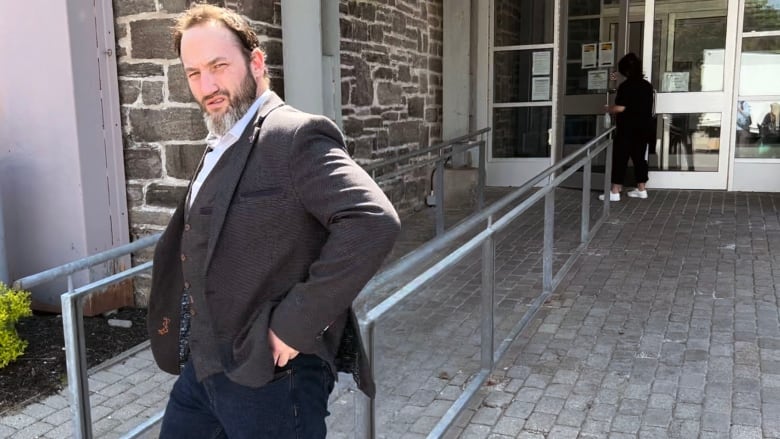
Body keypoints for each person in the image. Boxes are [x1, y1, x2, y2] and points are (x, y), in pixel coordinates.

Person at [146, 4, 401, 438]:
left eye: (218, 66)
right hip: (205, 368)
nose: (207, 85)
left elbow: (371, 219)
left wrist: (294, 324)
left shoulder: (293, 135)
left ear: (256, 62)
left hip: (271, 377)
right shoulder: (220, 142)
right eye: (193, 73)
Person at [600, 52, 654, 201]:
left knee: (620, 157)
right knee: (639, 158)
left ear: (626, 70)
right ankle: (642, 189)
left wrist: (608, 108)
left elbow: (620, 108)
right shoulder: (647, 86)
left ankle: (615, 191)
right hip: (644, 127)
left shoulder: (626, 86)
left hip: (628, 128)